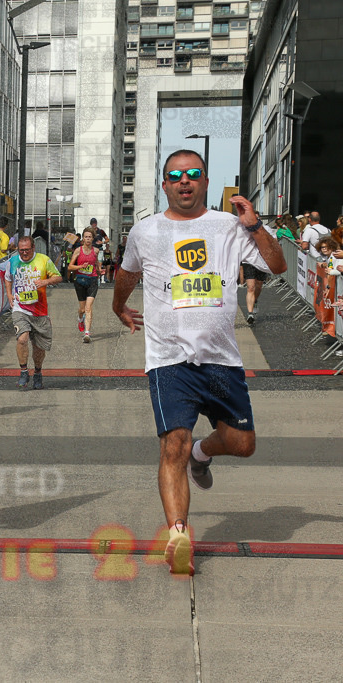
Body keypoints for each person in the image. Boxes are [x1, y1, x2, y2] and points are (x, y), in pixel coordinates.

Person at [112, 150, 286, 575]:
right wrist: (119, 306)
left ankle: (203, 456)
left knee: (243, 445)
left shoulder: (229, 227)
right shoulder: (146, 230)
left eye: (193, 174)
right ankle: (178, 536)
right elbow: (127, 273)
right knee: (174, 443)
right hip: (169, 359)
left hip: (221, 359)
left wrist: (254, 224)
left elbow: (277, 266)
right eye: (176, 175)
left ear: (206, 181)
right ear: (165, 184)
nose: (184, 181)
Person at [2, 235, 63, 390]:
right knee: (22, 339)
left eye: (27, 250)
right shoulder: (13, 261)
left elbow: (58, 277)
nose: (24, 253)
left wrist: (45, 281)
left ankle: (37, 372)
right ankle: (23, 371)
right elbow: (7, 278)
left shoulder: (44, 260)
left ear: (33, 248)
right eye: (21, 250)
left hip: (39, 310)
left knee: (38, 347)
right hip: (20, 308)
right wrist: (9, 295)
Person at [68, 226, 101, 343]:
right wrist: (80, 267)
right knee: (82, 309)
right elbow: (70, 267)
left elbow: (96, 264)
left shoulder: (96, 251)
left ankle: (87, 333)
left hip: (92, 280)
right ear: (83, 238)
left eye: (89, 237)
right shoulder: (78, 251)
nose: (87, 239)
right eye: (86, 237)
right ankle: (80, 318)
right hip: (80, 281)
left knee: (88, 307)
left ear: (92, 239)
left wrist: (100, 270)